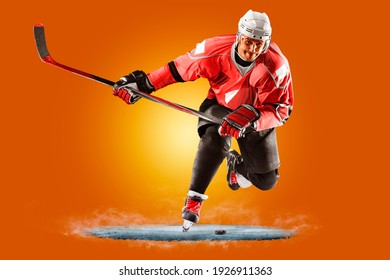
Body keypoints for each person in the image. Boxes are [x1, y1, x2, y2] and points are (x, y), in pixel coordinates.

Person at [113, 10, 294, 231]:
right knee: (214, 139)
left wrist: (254, 119)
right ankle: (194, 200)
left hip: (256, 115)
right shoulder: (213, 50)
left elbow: (282, 110)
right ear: (239, 37)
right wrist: (144, 85)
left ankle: (235, 167)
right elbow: (177, 69)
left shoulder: (277, 66)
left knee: (266, 181)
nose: (252, 49)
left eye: (259, 44)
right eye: (248, 42)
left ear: (266, 44)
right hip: (219, 106)